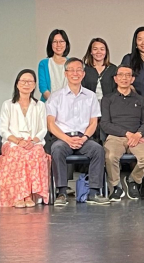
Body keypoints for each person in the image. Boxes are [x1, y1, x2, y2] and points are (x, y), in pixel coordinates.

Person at [46, 58, 108, 206]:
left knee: (98, 150)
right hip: (62, 138)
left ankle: (93, 192)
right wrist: (67, 139)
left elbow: (94, 122)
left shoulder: (91, 96)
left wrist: (85, 137)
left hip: (83, 138)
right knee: (57, 149)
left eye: (79, 70)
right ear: (65, 73)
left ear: (83, 73)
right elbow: (51, 124)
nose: (75, 73)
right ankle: (61, 192)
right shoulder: (55, 96)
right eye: (71, 70)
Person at [0, 69, 50, 207]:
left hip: (33, 143)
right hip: (13, 143)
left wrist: (32, 142)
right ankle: (20, 195)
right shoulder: (8, 104)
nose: (26, 84)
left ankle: (29, 195)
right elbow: (3, 130)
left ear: (34, 85)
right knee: (17, 153)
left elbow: (43, 129)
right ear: (17, 84)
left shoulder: (40, 105)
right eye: (23, 81)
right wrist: (18, 141)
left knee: (36, 153)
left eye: (30, 81)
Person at [100, 65, 144, 201]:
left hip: (137, 137)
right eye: (121, 75)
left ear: (132, 79)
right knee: (111, 156)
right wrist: (127, 133)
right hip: (115, 137)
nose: (124, 78)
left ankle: (133, 180)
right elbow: (105, 124)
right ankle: (116, 186)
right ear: (115, 78)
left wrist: (138, 134)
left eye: (128, 75)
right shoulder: (107, 99)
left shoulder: (140, 99)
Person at [38, 29, 70, 101]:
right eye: (55, 42)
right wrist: (54, 103)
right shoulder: (43, 63)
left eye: (61, 41)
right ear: (50, 44)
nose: (58, 44)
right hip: (48, 104)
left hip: (68, 105)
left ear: (66, 44)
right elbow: (43, 87)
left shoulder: (72, 63)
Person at [82, 38, 117, 102]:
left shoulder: (113, 69)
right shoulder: (84, 68)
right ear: (91, 52)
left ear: (106, 52)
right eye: (95, 49)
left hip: (109, 105)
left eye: (102, 49)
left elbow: (116, 90)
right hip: (88, 105)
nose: (98, 52)